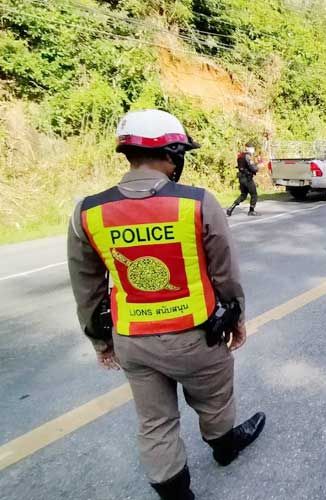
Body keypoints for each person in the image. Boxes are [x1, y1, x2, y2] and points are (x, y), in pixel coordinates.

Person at [67, 109, 265, 499]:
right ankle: (224, 448)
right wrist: (236, 316)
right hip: (196, 338)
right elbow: (225, 272)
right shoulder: (197, 203)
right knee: (214, 399)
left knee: (154, 422)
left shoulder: (87, 212)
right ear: (173, 155)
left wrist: (100, 341)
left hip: (133, 341)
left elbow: (86, 288)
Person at [227, 141, 260, 217]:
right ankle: (251, 211)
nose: (253, 150)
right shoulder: (247, 156)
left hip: (241, 178)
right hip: (247, 178)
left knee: (243, 195)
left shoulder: (240, 155)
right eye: (252, 148)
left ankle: (231, 207)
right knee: (254, 194)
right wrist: (257, 167)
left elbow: (242, 166)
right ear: (248, 148)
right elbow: (252, 167)